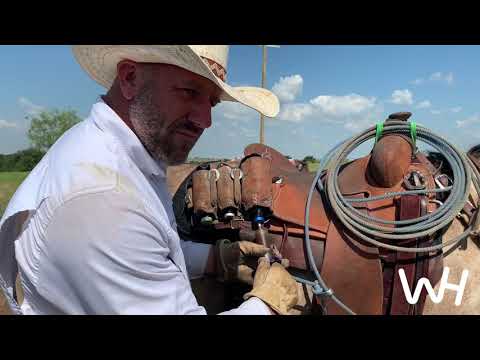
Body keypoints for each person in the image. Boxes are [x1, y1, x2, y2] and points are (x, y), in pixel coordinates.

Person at [0, 45, 298, 315]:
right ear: (129, 78)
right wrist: (268, 305)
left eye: (212, 102)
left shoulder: (115, 155)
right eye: (189, 92)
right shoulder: (104, 200)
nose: (205, 120)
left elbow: (149, 245)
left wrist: (214, 258)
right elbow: (125, 236)